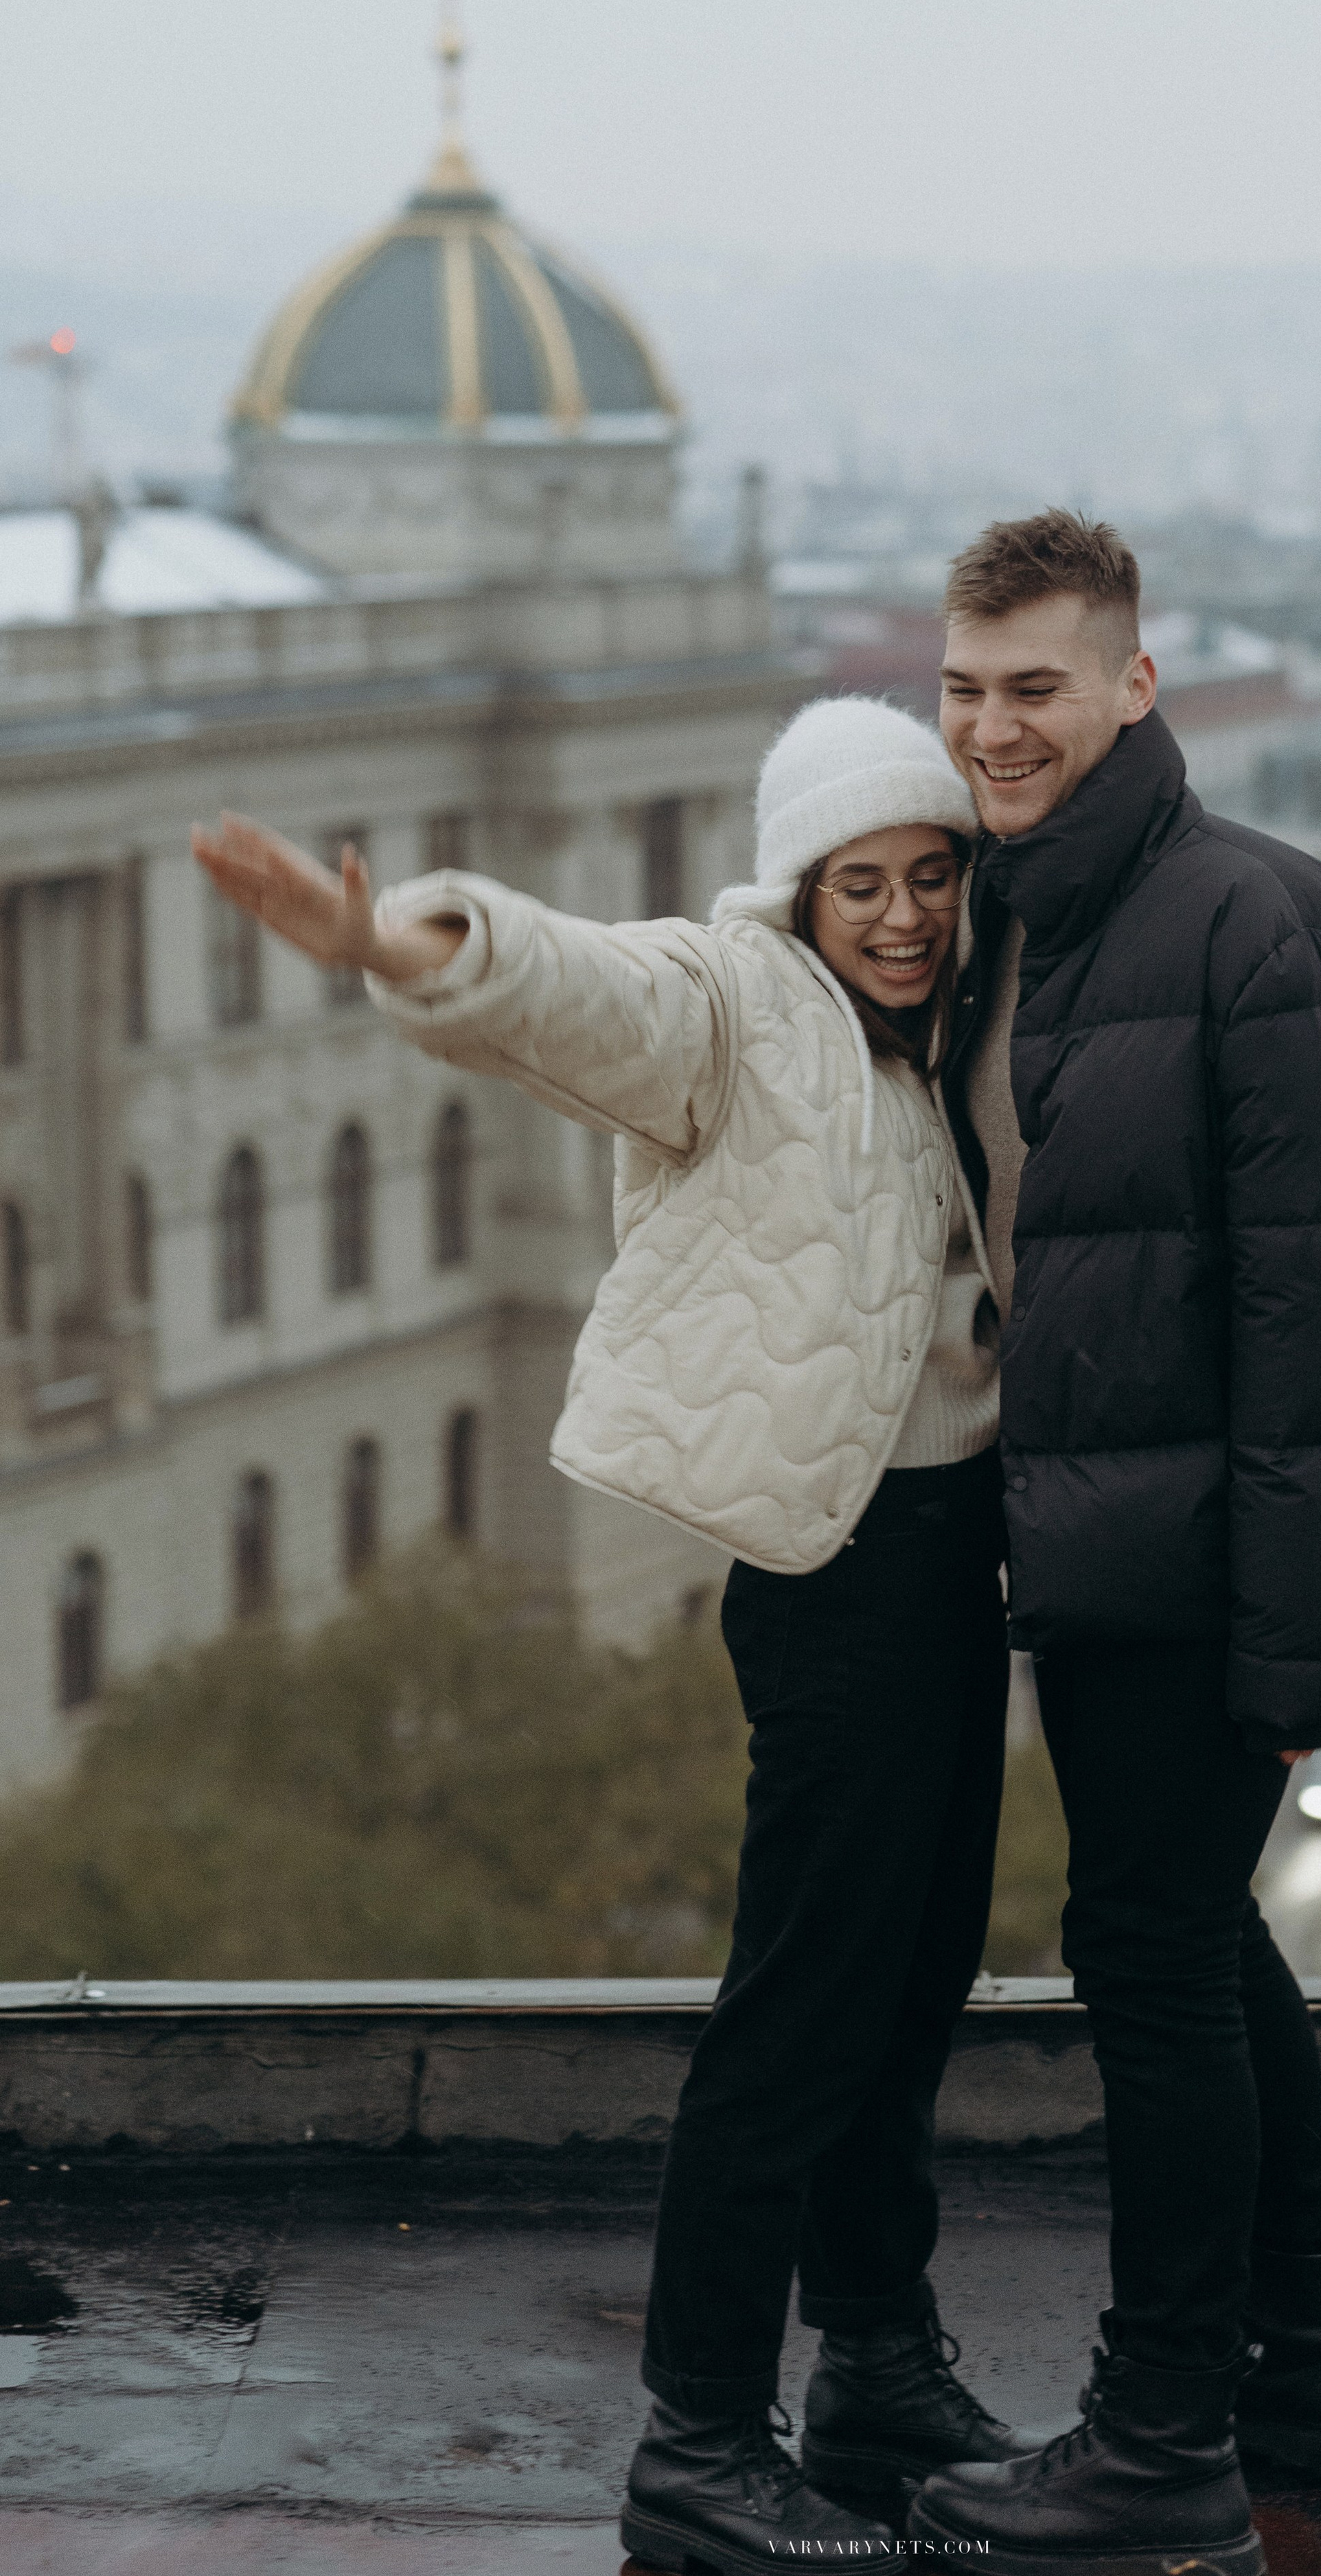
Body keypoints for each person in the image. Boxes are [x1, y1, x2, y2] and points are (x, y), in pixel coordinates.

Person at [192, 694, 1041, 2576]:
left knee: (910, 1994)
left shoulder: (955, 1045)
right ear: (796, 890)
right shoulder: (737, 1008)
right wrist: (388, 942)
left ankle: (883, 2373)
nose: (900, 915)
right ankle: (702, 2441)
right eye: (860, 884)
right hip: (830, 1578)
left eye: (927, 879)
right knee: (800, 2016)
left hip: (951, 1558)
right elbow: (573, 989)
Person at [905, 513, 1321, 2576]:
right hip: (1100, 1547)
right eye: (968, 690)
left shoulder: (1254, 918)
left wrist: (1289, 1661)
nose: (995, 726)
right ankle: (1311, 2371)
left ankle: (1160, 2427)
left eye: (1038, 688)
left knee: (1149, 1956)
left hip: (1196, 1579)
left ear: (1132, 687)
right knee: (1198, 1947)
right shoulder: (1025, 918)